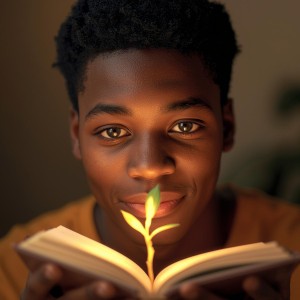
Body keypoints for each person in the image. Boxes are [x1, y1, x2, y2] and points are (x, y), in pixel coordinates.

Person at [1, 0, 300, 299]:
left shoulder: (292, 249)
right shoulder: (13, 270)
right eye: (113, 132)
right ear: (77, 135)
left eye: (185, 127)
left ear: (227, 128)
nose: (150, 166)